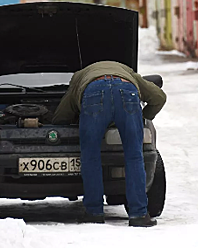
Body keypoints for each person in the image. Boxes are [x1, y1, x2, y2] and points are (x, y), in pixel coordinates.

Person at [52, 61, 166, 227]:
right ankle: (139, 215)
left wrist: (61, 121)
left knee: (90, 157)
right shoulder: (128, 73)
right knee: (134, 156)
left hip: (93, 94)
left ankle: (94, 212)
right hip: (128, 93)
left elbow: (63, 113)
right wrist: (141, 117)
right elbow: (160, 98)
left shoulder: (80, 76)